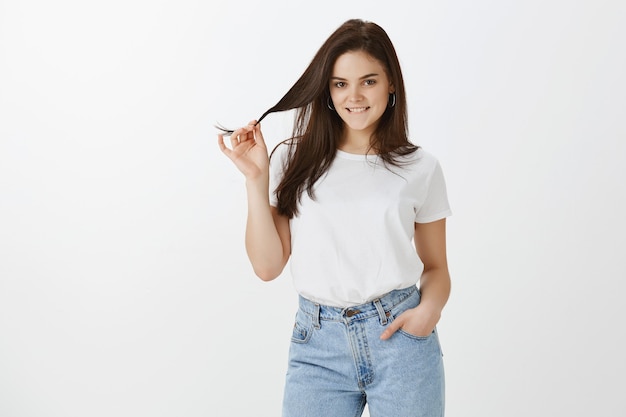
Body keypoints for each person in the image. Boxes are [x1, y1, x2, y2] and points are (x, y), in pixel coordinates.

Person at [217, 18, 451, 417]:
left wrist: (428, 312)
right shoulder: (295, 159)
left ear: (391, 83)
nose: (354, 96)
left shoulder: (420, 168)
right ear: (327, 89)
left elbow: (437, 269)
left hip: (400, 340)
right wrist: (255, 181)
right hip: (317, 346)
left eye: (369, 81)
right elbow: (268, 266)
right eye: (340, 83)